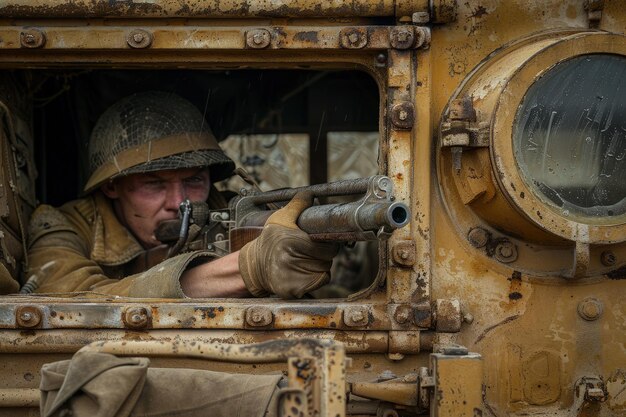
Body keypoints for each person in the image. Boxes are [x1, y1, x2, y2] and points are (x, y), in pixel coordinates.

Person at [25, 91, 339, 298]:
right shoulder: (61, 226)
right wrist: (248, 267)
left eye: (193, 180)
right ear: (111, 186)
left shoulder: (238, 214)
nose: (179, 202)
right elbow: (77, 302)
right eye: (154, 184)